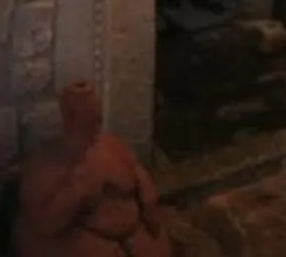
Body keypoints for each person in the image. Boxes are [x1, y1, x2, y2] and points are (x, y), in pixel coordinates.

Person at [13, 80, 169, 257]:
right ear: (70, 119)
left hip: (135, 238)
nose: (96, 122)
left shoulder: (112, 146)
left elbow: (137, 170)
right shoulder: (45, 164)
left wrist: (148, 198)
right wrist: (75, 191)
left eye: (97, 117)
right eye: (89, 118)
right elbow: (42, 223)